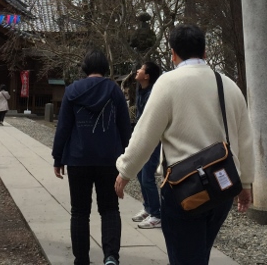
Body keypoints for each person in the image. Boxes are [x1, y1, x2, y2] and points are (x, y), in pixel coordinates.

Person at [114, 24, 255, 265]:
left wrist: (125, 171)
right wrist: (245, 184)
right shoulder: (229, 86)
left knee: (185, 257)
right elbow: (245, 140)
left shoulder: (168, 83)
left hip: (184, 188)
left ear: (173, 53)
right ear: (205, 52)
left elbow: (145, 134)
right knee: (199, 254)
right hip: (222, 187)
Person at [52, 50, 131, 265]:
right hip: (109, 158)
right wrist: (128, 159)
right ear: (105, 67)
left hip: (78, 158)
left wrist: (57, 157)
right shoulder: (114, 90)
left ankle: (82, 260)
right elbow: (124, 127)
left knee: (79, 211)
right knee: (109, 208)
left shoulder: (72, 91)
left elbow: (64, 127)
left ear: (85, 68)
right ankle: (111, 257)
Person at [130, 60, 162, 229]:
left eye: (141, 69)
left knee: (147, 176)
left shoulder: (153, 93)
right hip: (141, 138)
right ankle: (149, 207)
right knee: (139, 173)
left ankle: (157, 215)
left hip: (153, 140)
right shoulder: (140, 89)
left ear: (147, 76)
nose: (137, 71)